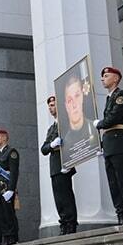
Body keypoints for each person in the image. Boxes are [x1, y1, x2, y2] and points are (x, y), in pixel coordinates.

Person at [95, 66, 123, 225]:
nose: (102, 79)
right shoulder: (109, 98)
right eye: (102, 76)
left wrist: (99, 124)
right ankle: (120, 211)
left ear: (116, 78)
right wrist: (101, 145)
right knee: (113, 181)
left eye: (106, 76)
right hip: (109, 143)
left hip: (119, 141)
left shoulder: (121, 96)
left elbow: (113, 118)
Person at [41, 95, 77, 234]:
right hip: (55, 166)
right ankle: (63, 222)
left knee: (66, 196)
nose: (51, 108)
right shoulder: (51, 128)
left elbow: (72, 139)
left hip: (64, 163)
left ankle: (71, 223)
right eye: (49, 106)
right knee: (59, 198)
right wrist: (51, 144)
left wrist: (70, 162)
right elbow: (44, 149)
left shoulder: (67, 123)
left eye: (53, 104)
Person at [0, 128, 20, 245]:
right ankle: (6, 236)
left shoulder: (11, 152)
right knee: (1, 216)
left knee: (9, 214)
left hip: (6, 189)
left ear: (4, 137)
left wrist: (11, 189)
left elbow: (14, 172)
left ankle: (12, 237)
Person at [62, 74, 99, 148]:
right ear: (66, 106)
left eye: (77, 96)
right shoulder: (64, 142)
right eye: (69, 100)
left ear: (82, 97)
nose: (74, 104)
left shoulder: (94, 129)